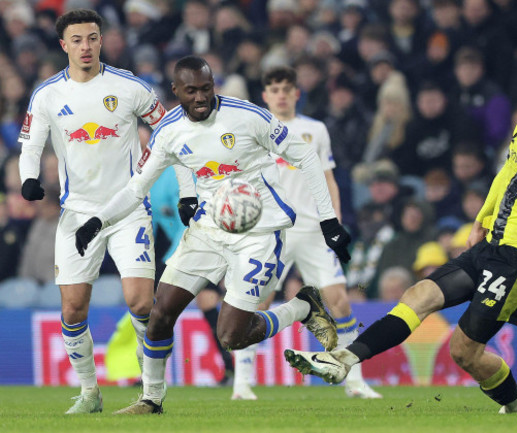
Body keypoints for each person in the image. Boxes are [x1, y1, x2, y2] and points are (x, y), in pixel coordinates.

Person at [285, 67, 517, 414]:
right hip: (488, 247)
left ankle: (515, 402)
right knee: (418, 295)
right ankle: (342, 360)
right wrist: (481, 219)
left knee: (463, 351)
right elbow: (508, 173)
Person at [73, 55, 352, 414]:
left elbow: (307, 157)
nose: (201, 98)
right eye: (191, 91)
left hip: (260, 232)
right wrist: (98, 221)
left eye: (206, 89)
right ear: (176, 92)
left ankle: (300, 307)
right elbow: (136, 188)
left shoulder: (249, 116)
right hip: (208, 230)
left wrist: (329, 221)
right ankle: (151, 399)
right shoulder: (168, 131)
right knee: (160, 315)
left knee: (231, 336)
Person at [17, 9, 196, 414]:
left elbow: (171, 137)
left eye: (93, 38)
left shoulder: (130, 87)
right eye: (77, 39)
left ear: (102, 41)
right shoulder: (48, 94)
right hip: (77, 214)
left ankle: (151, 393)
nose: (86, 46)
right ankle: (89, 393)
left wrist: (187, 192)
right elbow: (30, 145)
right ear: (64, 45)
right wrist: (30, 177)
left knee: (141, 303)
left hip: (128, 210)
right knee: (72, 308)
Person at [230, 65, 380, 400]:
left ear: (297, 93)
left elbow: (328, 179)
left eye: (286, 88)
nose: (281, 94)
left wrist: (336, 222)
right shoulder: (252, 128)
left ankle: (354, 380)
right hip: (272, 230)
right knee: (257, 300)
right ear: (265, 95)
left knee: (339, 301)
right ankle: (242, 383)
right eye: (274, 88)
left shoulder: (316, 130)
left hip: (314, 229)